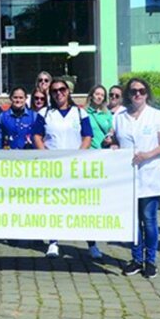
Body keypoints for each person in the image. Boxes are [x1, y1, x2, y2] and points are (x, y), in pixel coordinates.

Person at [35, 78, 101, 259]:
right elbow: (37, 136)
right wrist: (45, 154)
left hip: (75, 168)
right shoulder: (44, 113)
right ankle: (53, 242)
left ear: (68, 91)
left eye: (62, 89)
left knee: (82, 207)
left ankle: (92, 244)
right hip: (53, 168)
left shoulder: (79, 113)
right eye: (54, 91)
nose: (58, 93)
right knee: (54, 206)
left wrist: (79, 156)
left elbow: (87, 136)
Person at [112, 77, 160, 279]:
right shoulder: (120, 117)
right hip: (127, 176)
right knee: (133, 221)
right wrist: (112, 145)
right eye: (134, 91)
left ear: (147, 93)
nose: (137, 94)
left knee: (149, 219)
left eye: (142, 91)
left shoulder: (157, 116)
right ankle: (136, 258)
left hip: (149, 173)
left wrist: (147, 155)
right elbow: (115, 140)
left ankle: (150, 260)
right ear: (128, 94)